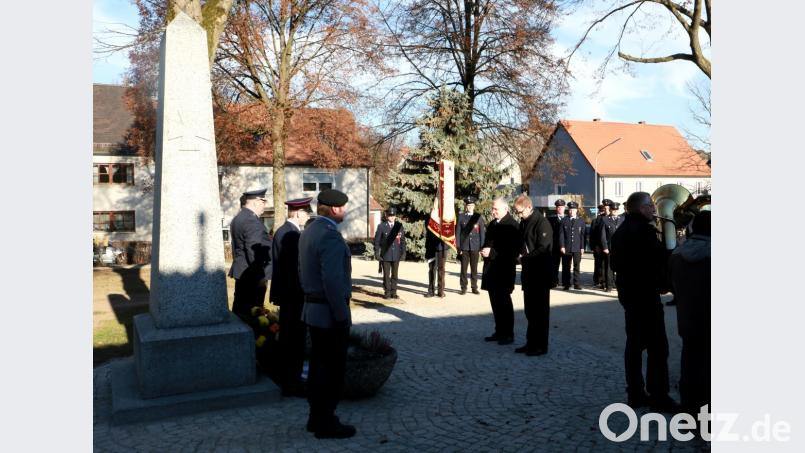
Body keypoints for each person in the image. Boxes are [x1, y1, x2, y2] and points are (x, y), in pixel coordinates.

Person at [610, 192, 678, 412]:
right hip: (645, 296)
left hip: (630, 296)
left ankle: (636, 393)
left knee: (634, 345)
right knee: (658, 348)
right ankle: (659, 396)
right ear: (641, 209)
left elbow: (615, 266)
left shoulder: (620, 232)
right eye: (650, 206)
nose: (654, 210)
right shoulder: (644, 233)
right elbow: (656, 264)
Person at [298, 189, 356, 439]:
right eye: (344, 207)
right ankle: (326, 421)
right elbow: (332, 281)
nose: (345, 211)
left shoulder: (309, 231)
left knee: (318, 367)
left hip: (313, 310)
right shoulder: (330, 236)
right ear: (335, 209)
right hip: (329, 314)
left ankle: (315, 417)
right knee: (331, 370)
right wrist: (342, 315)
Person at [669, 211, 711, 416]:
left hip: (686, 319)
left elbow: (669, 286)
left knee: (689, 361)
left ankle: (688, 407)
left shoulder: (677, 253)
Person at [270, 197, 312, 398]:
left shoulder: (285, 231)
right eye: (306, 213)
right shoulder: (291, 234)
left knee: (290, 338)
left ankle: (288, 379)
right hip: (294, 295)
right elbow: (295, 269)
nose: (308, 216)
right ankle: (292, 383)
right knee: (293, 340)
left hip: (288, 294)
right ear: (297, 213)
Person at [513, 194, 553, 356]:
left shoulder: (542, 223)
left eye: (520, 212)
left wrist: (525, 258)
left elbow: (543, 248)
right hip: (529, 273)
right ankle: (530, 342)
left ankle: (540, 346)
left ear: (529, 207)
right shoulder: (524, 222)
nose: (519, 215)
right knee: (530, 311)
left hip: (541, 274)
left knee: (540, 313)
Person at [480, 198, 521, 345]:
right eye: (492, 209)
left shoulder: (512, 226)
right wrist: (484, 250)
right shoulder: (492, 224)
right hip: (491, 270)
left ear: (505, 209)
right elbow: (488, 242)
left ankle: (508, 334)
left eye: (496, 209)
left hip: (504, 270)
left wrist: (492, 252)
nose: (493, 211)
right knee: (495, 302)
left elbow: (512, 251)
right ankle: (499, 331)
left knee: (504, 302)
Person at [228, 188, 272, 320]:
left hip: (243, 273)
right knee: (253, 316)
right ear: (256, 202)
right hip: (252, 277)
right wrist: (260, 276)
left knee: (241, 312)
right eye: (263, 202)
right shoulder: (251, 221)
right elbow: (254, 252)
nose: (264, 206)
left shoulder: (239, 217)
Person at [374, 207, 406, 299]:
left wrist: (403, 253)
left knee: (395, 275)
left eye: (393, 215)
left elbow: (403, 241)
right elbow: (377, 241)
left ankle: (394, 292)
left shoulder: (399, 226)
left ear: (395, 216)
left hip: (396, 254)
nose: (391, 217)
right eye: (390, 215)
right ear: (387, 216)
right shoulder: (381, 226)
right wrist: (377, 253)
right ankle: (387, 292)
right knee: (386, 275)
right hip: (385, 255)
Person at [457, 196, 485, 295]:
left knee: (474, 268)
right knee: (463, 268)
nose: (470, 207)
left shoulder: (478, 217)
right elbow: (458, 233)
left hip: (475, 247)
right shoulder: (461, 217)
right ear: (466, 206)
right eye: (468, 205)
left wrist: (481, 247)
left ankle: (474, 287)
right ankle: (463, 287)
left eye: (472, 205)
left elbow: (482, 233)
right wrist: (458, 247)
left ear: (474, 206)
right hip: (464, 247)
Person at [559, 201, 585, 290]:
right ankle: (566, 284)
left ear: (576, 210)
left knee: (576, 266)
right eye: (570, 210)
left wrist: (582, 247)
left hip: (577, 247)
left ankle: (576, 283)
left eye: (573, 210)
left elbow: (582, 235)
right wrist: (562, 246)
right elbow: (561, 234)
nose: (571, 211)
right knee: (566, 267)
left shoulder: (581, 220)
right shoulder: (564, 220)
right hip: (567, 247)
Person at [424, 219, 447, 298]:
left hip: (442, 246)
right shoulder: (429, 216)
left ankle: (441, 291)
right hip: (431, 247)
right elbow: (428, 228)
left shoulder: (445, 215)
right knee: (431, 269)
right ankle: (431, 291)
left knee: (441, 269)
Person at [547, 199, 567, 288]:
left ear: (564, 208)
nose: (560, 209)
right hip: (554, 246)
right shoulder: (550, 219)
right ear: (556, 208)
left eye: (562, 207)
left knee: (566, 265)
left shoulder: (567, 219)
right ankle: (554, 281)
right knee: (554, 265)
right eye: (558, 207)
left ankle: (565, 282)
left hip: (566, 246)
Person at [599, 199, 617, 292]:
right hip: (609, 248)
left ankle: (618, 285)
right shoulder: (605, 219)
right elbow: (603, 235)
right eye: (613, 210)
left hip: (620, 249)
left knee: (620, 268)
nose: (614, 211)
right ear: (610, 210)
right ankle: (609, 286)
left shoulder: (621, 219)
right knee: (609, 268)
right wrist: (605, 247)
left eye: (616, 210)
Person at [589, 203, 606, 289]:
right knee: (598, 264)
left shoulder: (606, 219)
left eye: (603, 211)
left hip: (605, 246)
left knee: (605, 264)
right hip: (597, 246)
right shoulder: (595, 221)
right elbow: (592, 235)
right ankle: (597, 280)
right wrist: (594, 247)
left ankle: (604, 280)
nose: (601, 212)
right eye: (601, 211)